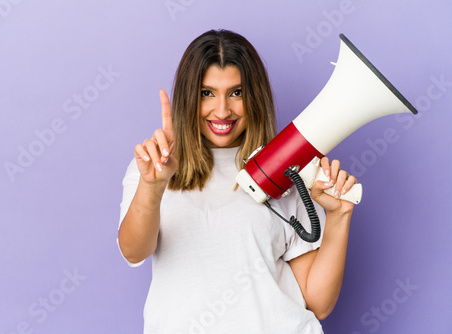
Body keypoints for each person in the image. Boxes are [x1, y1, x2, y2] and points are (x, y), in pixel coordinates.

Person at [118, 29, 357, 333]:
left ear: (254, 97)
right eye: (207, 93)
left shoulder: (284, 171)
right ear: (188, 98)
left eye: (236, 93)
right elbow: (133, 251)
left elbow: (318, 303)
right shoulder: (153, 167)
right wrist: (152, 186)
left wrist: (339, 216)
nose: (222, 110)